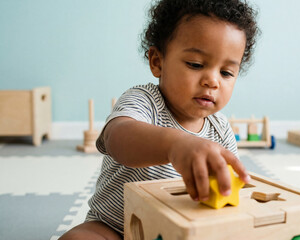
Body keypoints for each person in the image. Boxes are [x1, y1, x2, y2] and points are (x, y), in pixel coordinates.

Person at [60, 0, 259, 239]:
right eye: (195, 64)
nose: (212, 81)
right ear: (157, 61)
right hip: (114, 227)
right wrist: (176, 144)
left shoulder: (221, 129)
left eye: (226, 72)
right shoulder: (144, 100)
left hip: (176, 231)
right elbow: (117, 137)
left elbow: (228, 187)